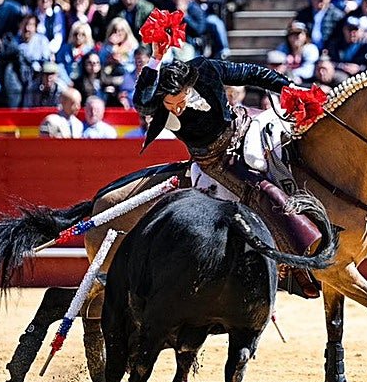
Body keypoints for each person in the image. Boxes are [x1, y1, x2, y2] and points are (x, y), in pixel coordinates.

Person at [133, 40, 323, 297]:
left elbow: (252, 74)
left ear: (188, 87)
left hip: (243, 127)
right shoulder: (157, 101)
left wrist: (289, 88)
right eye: (170, 105)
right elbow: (141, 102)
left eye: (180, 101)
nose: (177, 109)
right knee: (258, 190)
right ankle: (293, 261)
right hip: (214, 159)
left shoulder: (205, 69)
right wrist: (155, 60)